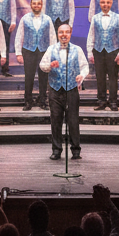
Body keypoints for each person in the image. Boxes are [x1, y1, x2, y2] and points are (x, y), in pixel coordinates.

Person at [41, 23, 88, 160]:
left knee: (73, 121)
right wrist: (49, 66)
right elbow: (42, 65)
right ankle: (56, 150)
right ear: (57, 33)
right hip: (55, 89)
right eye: (61, 32)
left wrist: (82, 76)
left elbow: (85, 67)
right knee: (56, 120)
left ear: (70, 33)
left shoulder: (77, 49)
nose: (64, 35)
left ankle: (76, 150)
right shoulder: (51, 49)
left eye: (66, 32)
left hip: (71, 89)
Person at [15, 0, 55, 111]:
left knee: (43, 77)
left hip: (44, 51)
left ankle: (43, 100)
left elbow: (52, 36)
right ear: (31, 5)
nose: (36, 5)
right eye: (34, 3)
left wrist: (53, 53)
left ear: (41, 5)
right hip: (29, 51)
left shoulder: (47, 19)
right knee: (29, 77)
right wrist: (18, 53)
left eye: (38, 3)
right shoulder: (24, 18)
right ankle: (28, 101)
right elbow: (19, 36)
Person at [86, 0, 119, 111]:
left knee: (113, 77)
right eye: (103, 2)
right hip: (98, 50)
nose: (105, 5)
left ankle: (113, 101)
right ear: (100, 3)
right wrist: (89, 51)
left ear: (111, 3)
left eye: (108, 3)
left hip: (113, 50)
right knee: (100, 77)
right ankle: (101, 101)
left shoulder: (118, 18)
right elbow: (91, 35)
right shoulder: (95, 18)